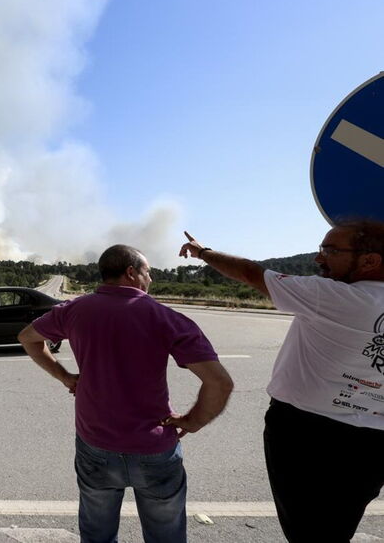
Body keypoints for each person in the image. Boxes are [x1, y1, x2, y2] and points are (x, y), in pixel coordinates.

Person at [180, 220, 384, 542]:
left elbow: (249, 272)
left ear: (371, 260)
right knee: (338, 526)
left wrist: (203, 252)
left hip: (305, 433)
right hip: (374, 440)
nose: (319, 259)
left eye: (330, 251)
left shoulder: (330, 296)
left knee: (306, 530)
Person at [19, 244, 234, 543]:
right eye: (148, 273)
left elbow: (27, 338)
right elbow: (220, 383)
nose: (151, 280)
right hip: (154, 448)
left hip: (95, 446)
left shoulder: (74, 310)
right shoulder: (165, 317)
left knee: (97, 534)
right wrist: (193, 421)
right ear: (131, 272)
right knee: (166, 536)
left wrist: (64, 376)